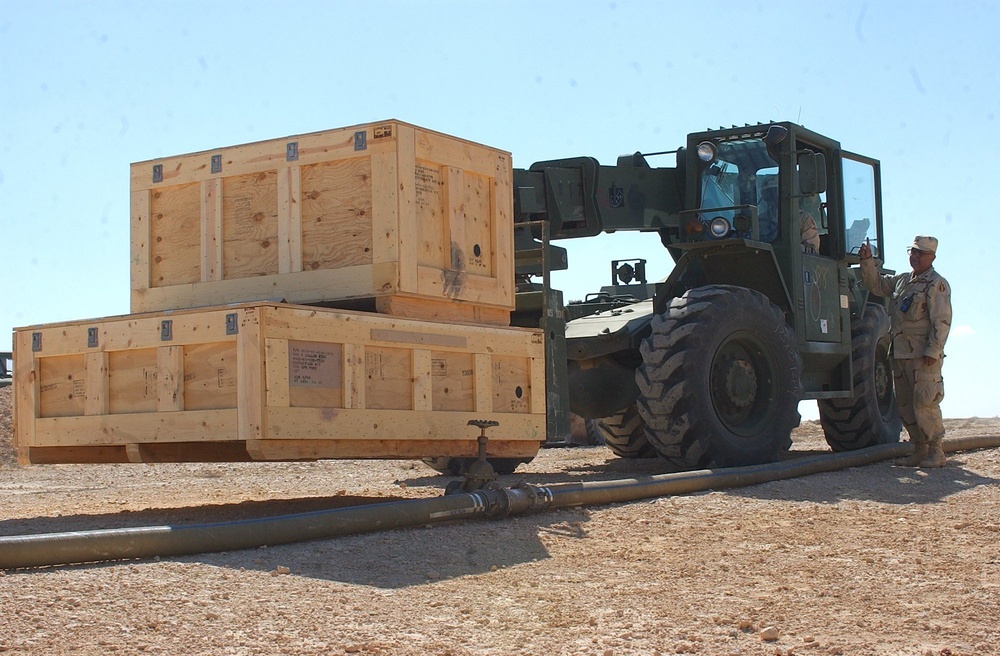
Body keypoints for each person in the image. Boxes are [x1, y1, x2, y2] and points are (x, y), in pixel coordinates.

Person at [858, 235, 952, 467]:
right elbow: (876, 285)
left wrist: (933, 350)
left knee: (925, 403)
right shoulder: (902, 281)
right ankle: (919, 449)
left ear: (932, 257)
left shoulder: (936, 284)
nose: (916, 257)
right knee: (905, 404)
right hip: (900, 354)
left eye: (921, 253)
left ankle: (936, 451)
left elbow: (941, 321)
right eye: (913, 252)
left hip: (923, 357)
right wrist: (867, 261)